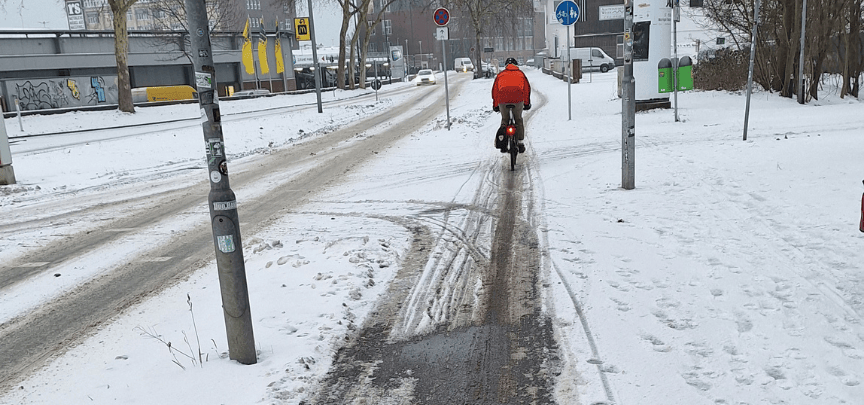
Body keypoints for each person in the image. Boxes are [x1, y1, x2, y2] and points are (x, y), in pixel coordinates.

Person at [491, 57, 531, 153]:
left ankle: (503, 142)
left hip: (503, 100)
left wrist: (495, 105)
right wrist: (526, 103)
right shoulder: (521, 74)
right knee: (518, 119)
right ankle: (520, 143)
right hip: (517, 99)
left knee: (505, 119)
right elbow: (526, 90)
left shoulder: (500, 75)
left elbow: (495, 91)